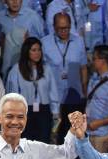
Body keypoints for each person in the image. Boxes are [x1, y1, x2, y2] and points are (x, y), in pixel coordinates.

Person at [41, 12, 89, 143]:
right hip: (53, 94)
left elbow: (83, 67)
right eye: (61, 28)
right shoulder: (45, 43)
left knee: (71, 132)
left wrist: (84, 90)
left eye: (67, 28)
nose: (64, 31)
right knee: (54, 130)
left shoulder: (78, 41)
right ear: (54, 27)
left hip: (73, 93)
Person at [6, 37, 60, 144]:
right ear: (27, 51)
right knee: (25, 145)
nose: (37, 53)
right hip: (25, 112)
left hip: (43, 111)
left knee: (43, 144)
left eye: (39, 50)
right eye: (34, 50)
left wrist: (56, 114)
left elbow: (53, 92)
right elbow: (12, 95)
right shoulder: (16, 70)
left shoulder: (46, 69)